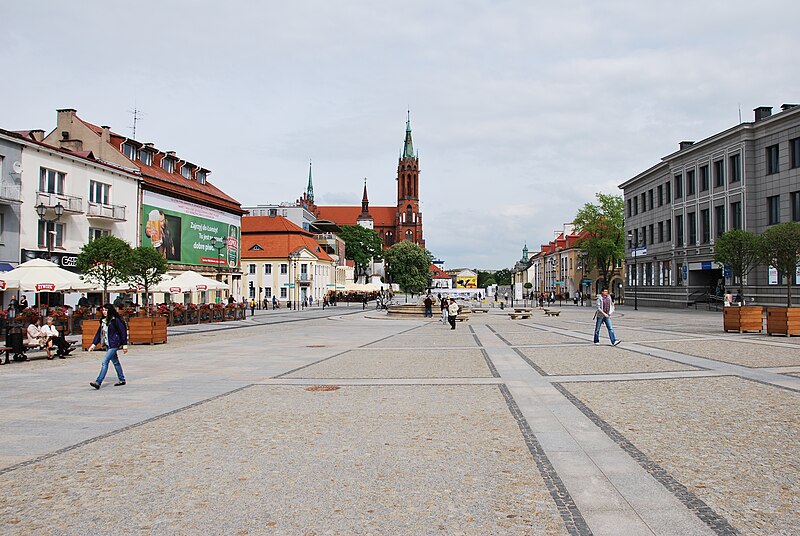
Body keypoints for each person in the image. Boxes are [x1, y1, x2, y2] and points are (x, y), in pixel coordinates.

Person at [89, 304, 128, 389]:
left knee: (105, 361)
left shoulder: (115, 320)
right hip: (108, 344)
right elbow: (99, 333)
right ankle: (122, 379)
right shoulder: (103, 321)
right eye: (103, 310)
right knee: (116, 362)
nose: (104, 312)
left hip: (114, 344)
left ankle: (98, 382)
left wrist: (124, 344)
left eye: (106, 310)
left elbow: (123, 332)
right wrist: (94, 344)